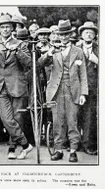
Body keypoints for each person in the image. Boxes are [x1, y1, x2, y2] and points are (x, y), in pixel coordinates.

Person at [38, 19, 88, 163]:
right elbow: (39, 64)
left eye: (67, 34)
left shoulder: (78, 51)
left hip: (74, 90)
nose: (64, 37)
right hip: (56, 90)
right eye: (61, 35)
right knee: (57, 121)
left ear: (70, 35)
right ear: (57, 35)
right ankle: (58, 150)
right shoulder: (53, 50)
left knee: (72, 121)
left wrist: (83, 93)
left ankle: (73, 150)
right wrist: (49, 52)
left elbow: (83, 74)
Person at [0, 15, 33, 160]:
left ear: (12, 28)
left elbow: (28, 63)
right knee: (6, 119)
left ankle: (11, 148)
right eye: (2, 27)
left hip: (17, 85)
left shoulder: (20, 44)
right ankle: (26, 144)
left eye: (8, 26)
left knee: (18, 118)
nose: (5, 29)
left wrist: (17, 51)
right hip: (0, 86)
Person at [77, 21, 98, 155]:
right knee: (75, 116)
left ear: (95, 35)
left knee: (90, 117)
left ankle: (89, 144)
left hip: (92, 88)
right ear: (82, 35)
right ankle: (75, 143)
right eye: (86, 32)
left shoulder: (99, 49)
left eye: (91, 32)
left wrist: (98, 61)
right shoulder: (76, 48)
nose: (89, 34)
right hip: (76, 87)